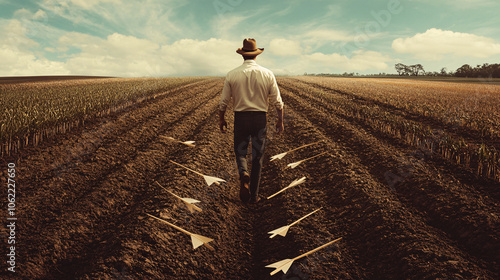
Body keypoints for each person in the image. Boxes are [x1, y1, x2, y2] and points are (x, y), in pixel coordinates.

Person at [219, 38, 284, 204]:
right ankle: (254, 196)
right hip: (260, 118)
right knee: (257, 156)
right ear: (256, 55)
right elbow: (278, 101)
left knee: (240, 151)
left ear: (243, 55)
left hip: (241, 117)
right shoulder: (267, 74)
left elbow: (224, 101)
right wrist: (280, 120)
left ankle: (243, 173)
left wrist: (222, 119)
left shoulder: (232, 74)